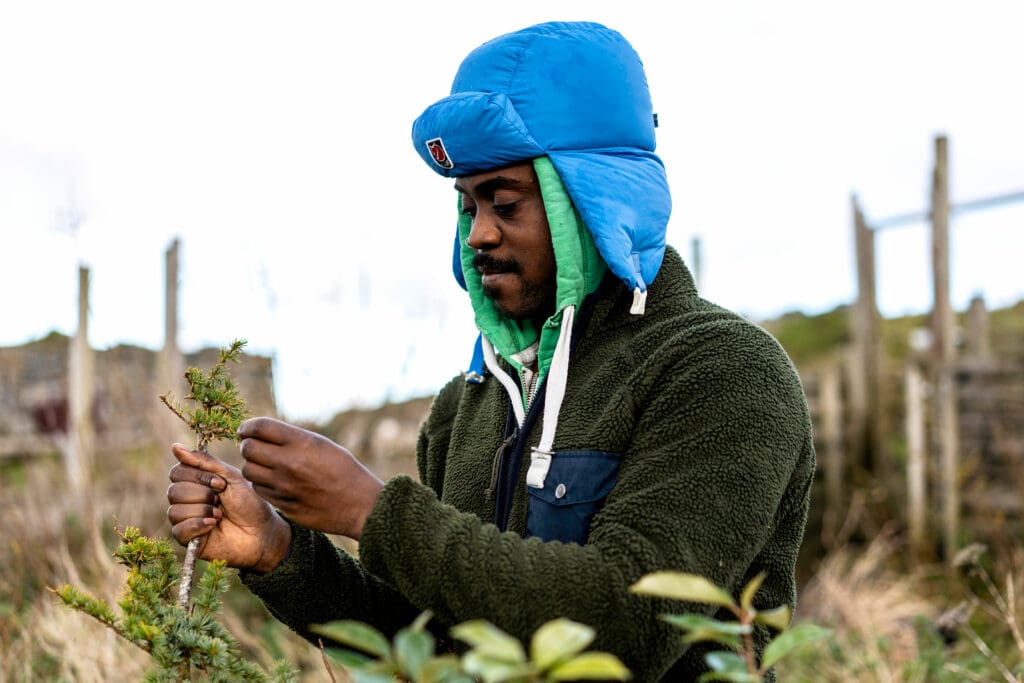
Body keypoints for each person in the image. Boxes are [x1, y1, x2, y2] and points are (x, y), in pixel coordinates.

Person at [167, 21, 815, 680]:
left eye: (505, 203)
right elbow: (434, 640)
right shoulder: (465, 407)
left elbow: (630, 622)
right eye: (468, 205)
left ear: (591, 201)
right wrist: (280, 551)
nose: (477, 234)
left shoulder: (723, 372)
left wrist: (370, 510)